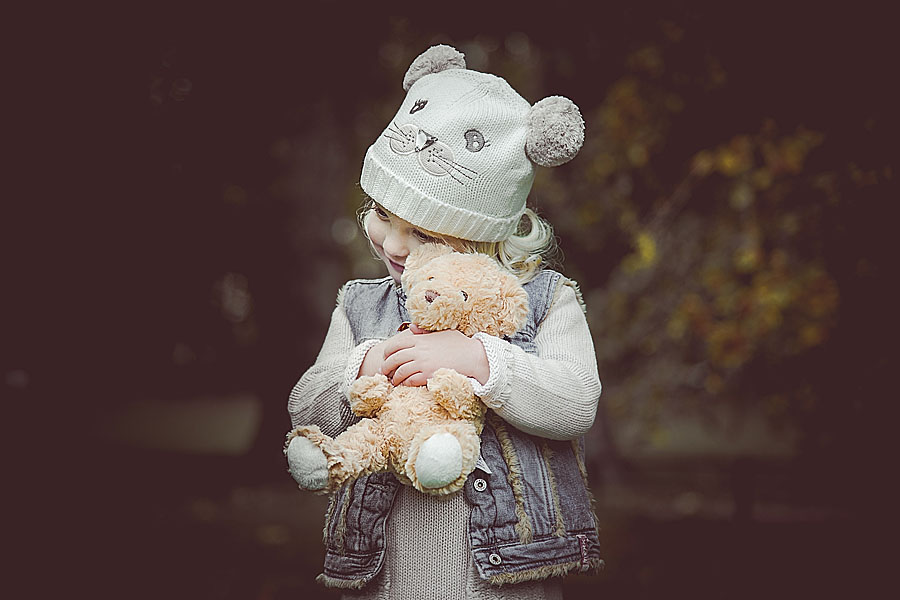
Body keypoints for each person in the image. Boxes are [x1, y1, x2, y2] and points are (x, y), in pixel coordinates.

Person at [285, 44, 603, 599]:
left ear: (486, 233)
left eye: (427, 232)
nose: (395, 244)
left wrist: (483, 362)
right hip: (386, 577)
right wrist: (369, 363)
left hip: (508, 578)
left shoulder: (546, 300)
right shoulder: (362, 305)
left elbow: (576, 402)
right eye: (384, 216)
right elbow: (306, 403)